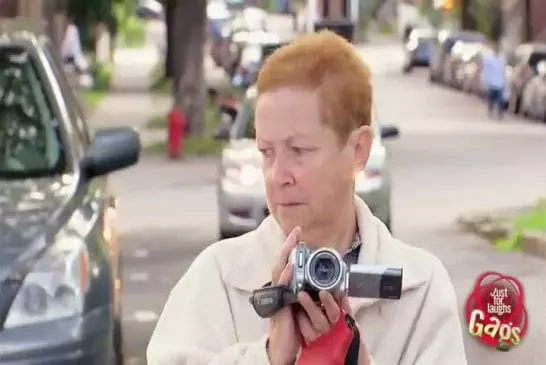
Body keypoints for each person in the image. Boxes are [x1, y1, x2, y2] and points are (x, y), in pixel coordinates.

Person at [147, 30, 468, 365]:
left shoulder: (418, 288)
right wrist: (269, 357)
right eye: (267, 152)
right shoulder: (218, 279)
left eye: (299, 151)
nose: (277, 175)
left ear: (358, 151)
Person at [480, 42, 507, 119]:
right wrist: (485, 81)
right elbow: (485, 70)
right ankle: (490, 110)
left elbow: (503, 70)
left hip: (500, 82)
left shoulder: (502, 59)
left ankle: (500, 113)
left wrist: (505, 81)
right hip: (491, 82)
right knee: (491, 99)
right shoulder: (489, 58)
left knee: (500, 100)